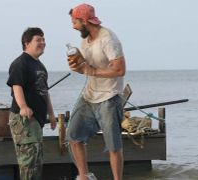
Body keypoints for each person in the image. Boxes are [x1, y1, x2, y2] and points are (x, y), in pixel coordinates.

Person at [66, 3, 126, 180]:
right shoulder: (84, 41)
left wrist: (90, 71)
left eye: (75, 22)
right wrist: (78, 66)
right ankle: (84, 176)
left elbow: (120, 70)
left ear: (84, 21)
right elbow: (86, 67)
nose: (73, 26)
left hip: (109, 97)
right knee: (73, 136)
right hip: (89, 95)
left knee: (113, 146)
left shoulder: (109, 39)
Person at [7, 27, 56, 180]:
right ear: (27, 43)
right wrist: (23, 107)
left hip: (36, 120)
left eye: (43, 39)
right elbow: (16, 86)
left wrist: (52, 115)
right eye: (38, 40)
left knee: (36, 160)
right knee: (28, 162)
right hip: (24, 120)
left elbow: (44, 92)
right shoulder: (20, 63)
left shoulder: (40, 66)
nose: (43, 43)